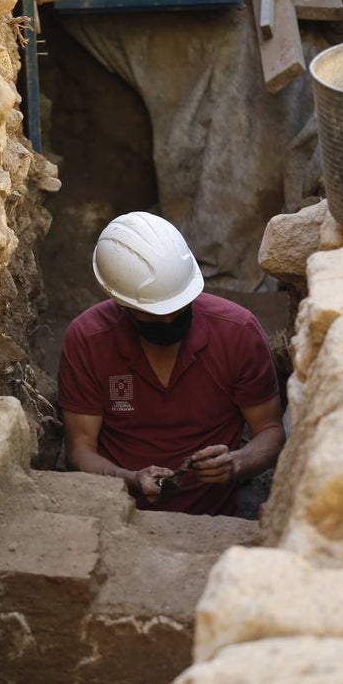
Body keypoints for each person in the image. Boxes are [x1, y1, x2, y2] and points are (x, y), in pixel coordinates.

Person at [57, 211, 284, 517]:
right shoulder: (89, 340)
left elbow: (270, 429)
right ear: (122, 302)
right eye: (152, 314)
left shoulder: (237, 332)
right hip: (117, 517)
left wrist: (236, 463)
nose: (167, 320)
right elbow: (80, 450)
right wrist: (130, 479)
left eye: (178, 308)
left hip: (215, 521)